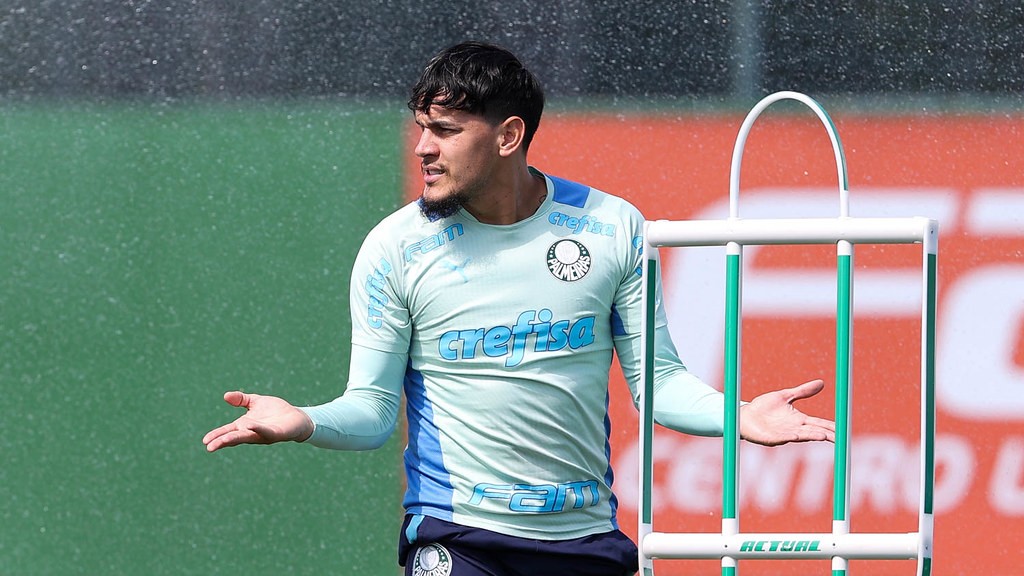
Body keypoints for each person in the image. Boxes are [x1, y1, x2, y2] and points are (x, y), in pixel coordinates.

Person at [203, 41, 835, 576]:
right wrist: (304, 421)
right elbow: (372, 412)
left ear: (508, 136)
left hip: (586, 541)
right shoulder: (394, 248)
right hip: (458, 539)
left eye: (445, 130)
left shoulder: (612, 226)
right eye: (421, 127)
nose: (423, 147)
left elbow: (660, 385)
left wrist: (739, 416)